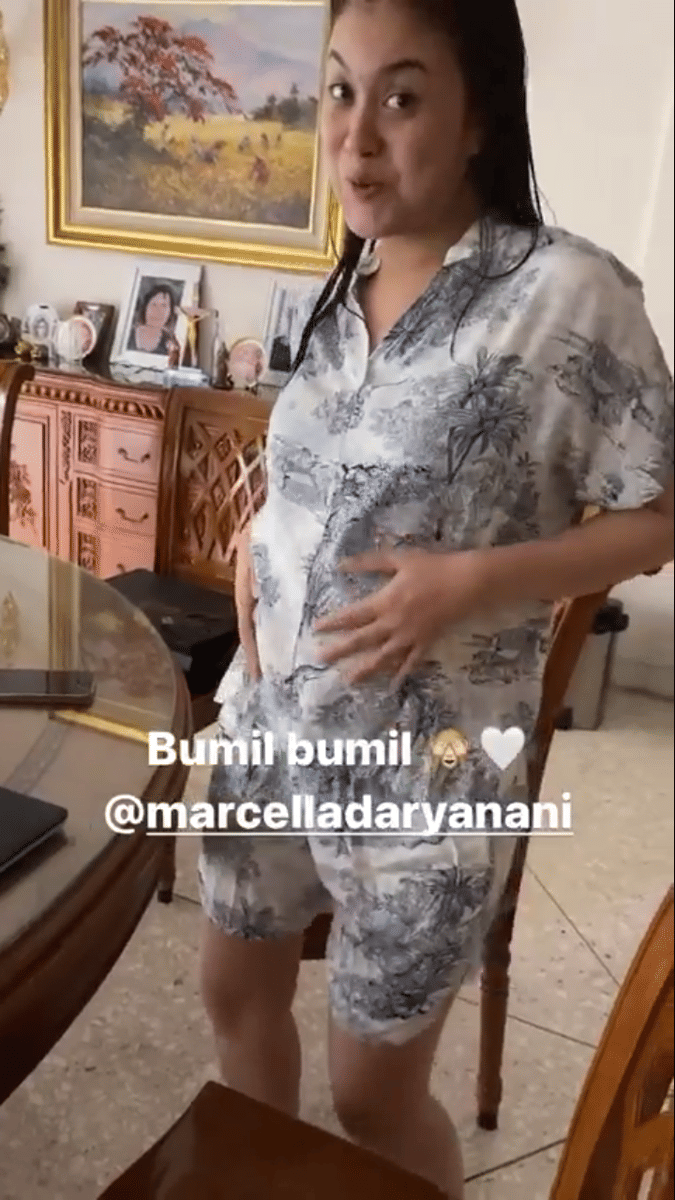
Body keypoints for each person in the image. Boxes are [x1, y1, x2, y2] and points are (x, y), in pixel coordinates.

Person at [199, 1, 674, 1196]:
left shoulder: (565, 292)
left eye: (402, 98)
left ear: (477, 120)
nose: (356, 138)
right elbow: (331, 470)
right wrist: (261, 541)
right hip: (271, 733)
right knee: (233, 999)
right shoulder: (347, 279)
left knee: (373, 1097)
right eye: (340, 91)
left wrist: (472, 583)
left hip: (428, 778)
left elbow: (662, 513)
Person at [128, 283, 177, 354]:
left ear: (170, 311)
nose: (158, 311)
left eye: (164, 306)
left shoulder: (172, 343)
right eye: (154, 304)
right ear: (145, 308)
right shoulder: (128, 334)